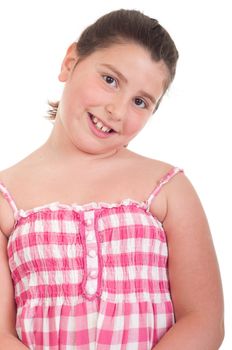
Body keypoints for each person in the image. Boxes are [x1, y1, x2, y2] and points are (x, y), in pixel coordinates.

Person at [0, 8, 224, 350]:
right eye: (109, 80)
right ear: (70, 62)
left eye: (140, 101)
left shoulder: (167, 188)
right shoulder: (6, 197)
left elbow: (204, 320)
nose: (117, 110)